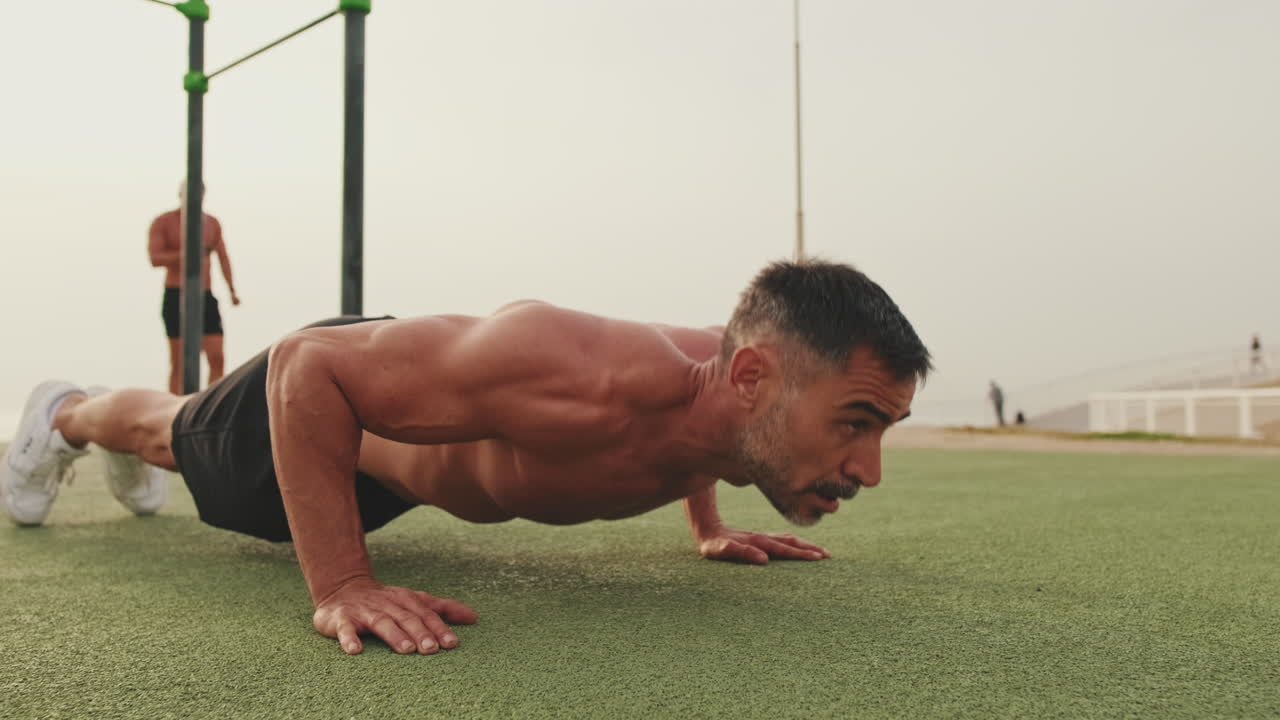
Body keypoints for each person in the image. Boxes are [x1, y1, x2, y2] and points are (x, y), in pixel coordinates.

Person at [2, 260, 930, 657]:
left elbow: (707, 445)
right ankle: (70, 413)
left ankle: (107, 428)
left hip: (400, 480)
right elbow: (308, 367)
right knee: (175, 431)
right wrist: (343, 584)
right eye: (857, 423)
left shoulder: (739, 401)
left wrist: (712, 526)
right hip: (330, 420)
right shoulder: (583, 372)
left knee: (180, 433)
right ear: (756, 379)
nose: (870, 467)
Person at [148, 181, 241, 394]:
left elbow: (223, 258)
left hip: (205, 295)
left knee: (217, 357)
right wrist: (188, 254)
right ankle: (175, 407)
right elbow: (155, 257)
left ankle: (211, 405)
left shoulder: (211, 223)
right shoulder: (164, 222)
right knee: (179, 360)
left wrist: (232, 290)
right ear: (180, 194)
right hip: (176, 293)